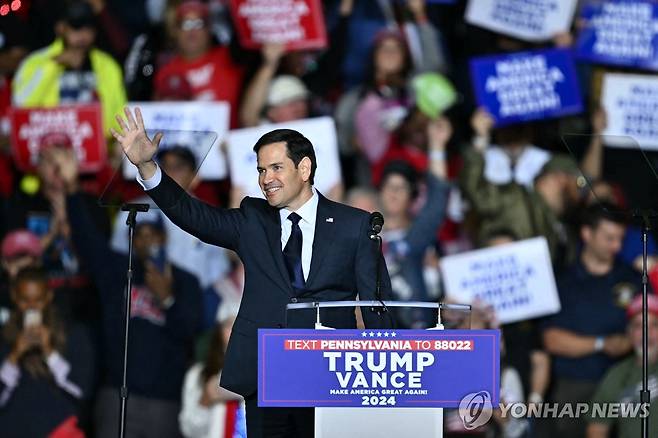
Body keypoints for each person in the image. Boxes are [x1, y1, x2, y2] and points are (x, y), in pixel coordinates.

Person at [111, 107, 393, 437]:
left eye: (276, 167)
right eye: (261, 169)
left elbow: (377, 308)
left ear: (304, 168)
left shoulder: (354, 225)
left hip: (329, 376)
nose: (265, 179)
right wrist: (147, 166)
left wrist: (383, 376)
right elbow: (194, 216)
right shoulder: (253, 219)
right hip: (264, 373)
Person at [542, 202, 640, 437]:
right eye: (609, 238)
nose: (616, 246)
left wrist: (631, 339)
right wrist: (602, 344)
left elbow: (649, 323)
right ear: (587, 234)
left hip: (626, 383)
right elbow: (551, 339)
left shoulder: (633, 279)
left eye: (620, 239)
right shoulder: (562, 281)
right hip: (575, 387)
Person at [0, 267, 95, 437]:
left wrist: (49, 352)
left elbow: (80, 389)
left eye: (38, 300)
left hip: (58, 429)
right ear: (14, 297)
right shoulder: (3, 337)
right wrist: (14, 356)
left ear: (49, 297)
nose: (31, 307)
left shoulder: (71, 333)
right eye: (24, 300)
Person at [11, 0, 126, 138]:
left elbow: (120, 114)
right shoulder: (35, 62)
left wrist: (114, 143)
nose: (83, 35)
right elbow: (20, 105)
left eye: (89, 29)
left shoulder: (107, 65)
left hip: (94, 148)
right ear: (61, 28)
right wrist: (53, 66)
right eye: (76, 27)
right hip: (49, 147)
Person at [586, 293, 658, 438]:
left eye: (654, 325)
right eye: (638, 325)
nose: (646, 333)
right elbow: (597, 429)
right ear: (629, 333)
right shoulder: (616, 375)